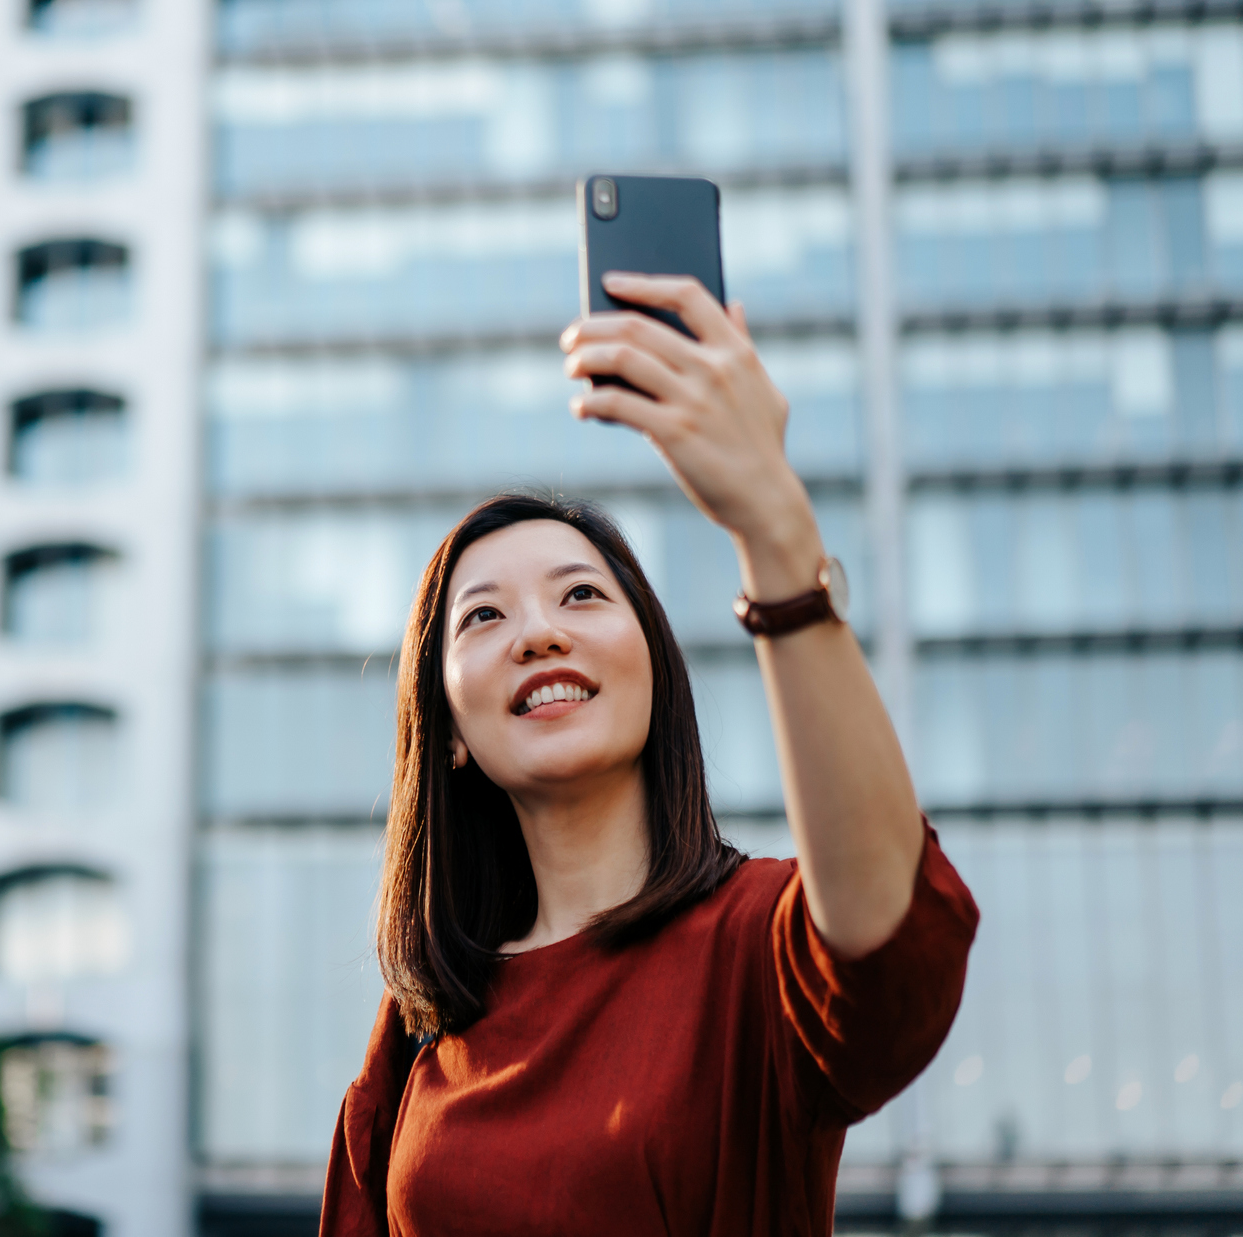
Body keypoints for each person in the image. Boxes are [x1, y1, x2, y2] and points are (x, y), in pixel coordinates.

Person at [319, 273, 977, 1236]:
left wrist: (771, 528)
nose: (537, 633)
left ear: (654, 668)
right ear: (450, 731)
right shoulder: (419, 1026)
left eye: (581, 595)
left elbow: (890, 941)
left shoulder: (760, 943)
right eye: (485, 616)